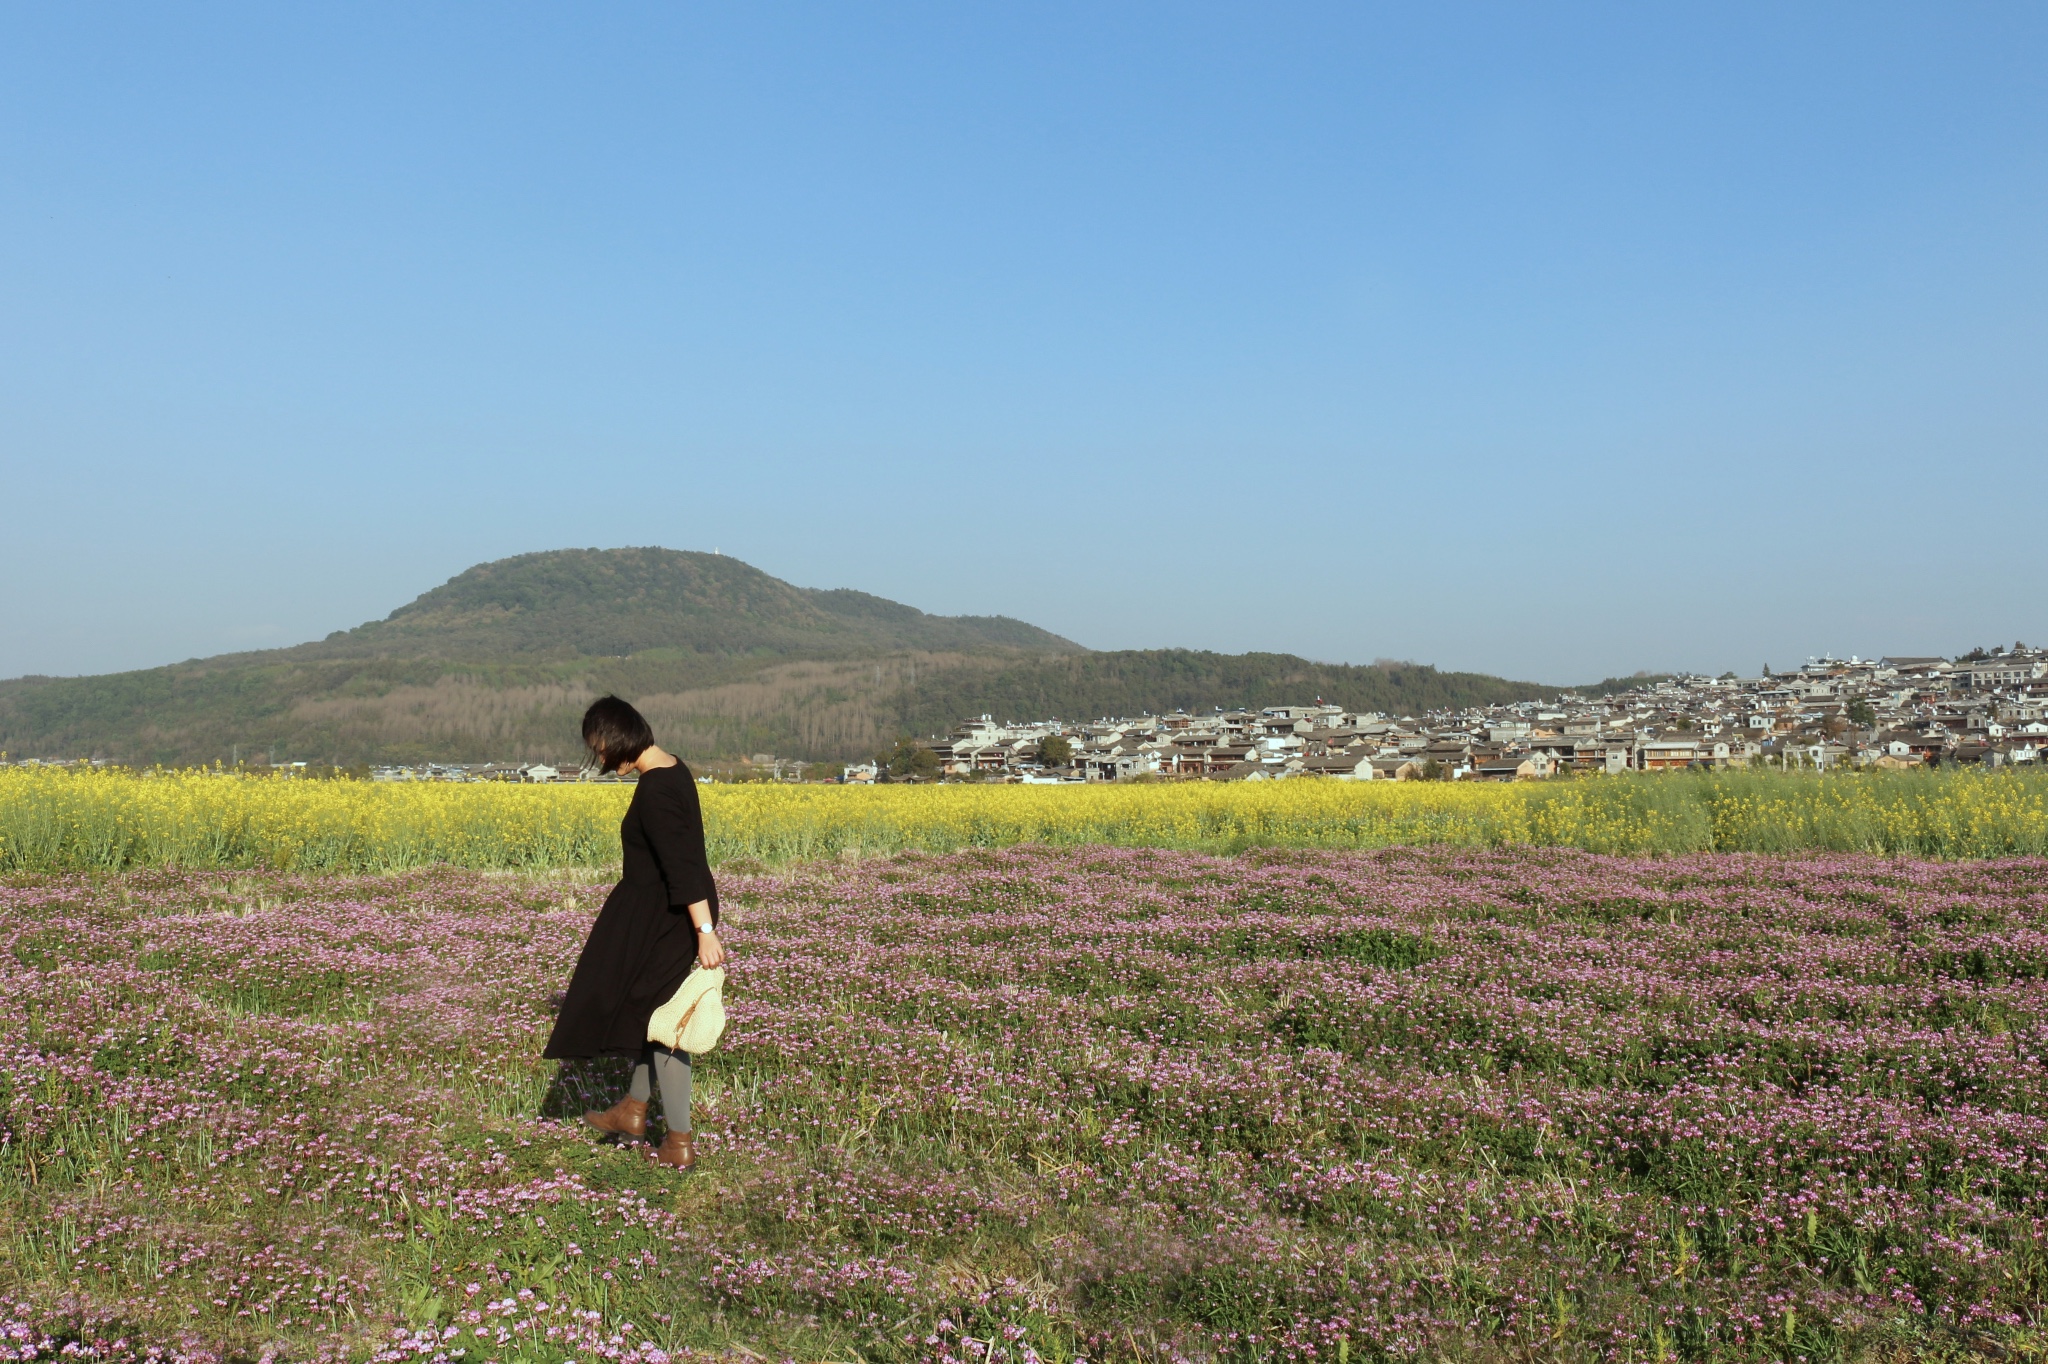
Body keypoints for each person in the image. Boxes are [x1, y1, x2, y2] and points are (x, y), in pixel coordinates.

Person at [542, 696, 726, 1170]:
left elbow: (682, 866)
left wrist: (704, 931)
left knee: (666, 1031)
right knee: (648, 1017)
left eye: (601, 749)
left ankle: (679, 1142)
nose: (600, 759)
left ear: (620, 740)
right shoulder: (672, 768)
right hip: (664, 917)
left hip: (664, 923)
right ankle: (633, 1111)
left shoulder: (655, 791)